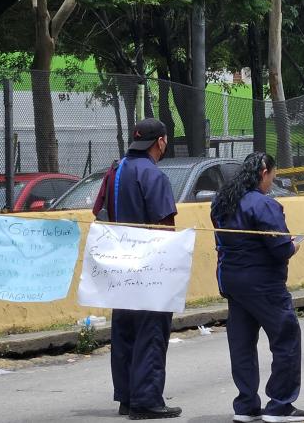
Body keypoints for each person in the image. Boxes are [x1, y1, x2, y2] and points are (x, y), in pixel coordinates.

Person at [211, 152, 304, 423]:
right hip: (263, 283)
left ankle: (246, 406)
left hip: (231, 280)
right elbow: (280, 249)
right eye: (272, 177)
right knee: (286, 336)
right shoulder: (264, 205)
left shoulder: (222, 202)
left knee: (242, 344)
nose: (271, 182)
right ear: (264, 171)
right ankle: (280, 405)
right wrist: (294, 245)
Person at [103, 118, 181, 420]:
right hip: (149, 265)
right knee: (151, 332)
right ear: (160, 141)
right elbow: (165, 225)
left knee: (124, 330)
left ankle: (126, 397)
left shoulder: (116, 171)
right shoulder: (153, 175)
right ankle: (146, 400)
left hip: (119, 262)